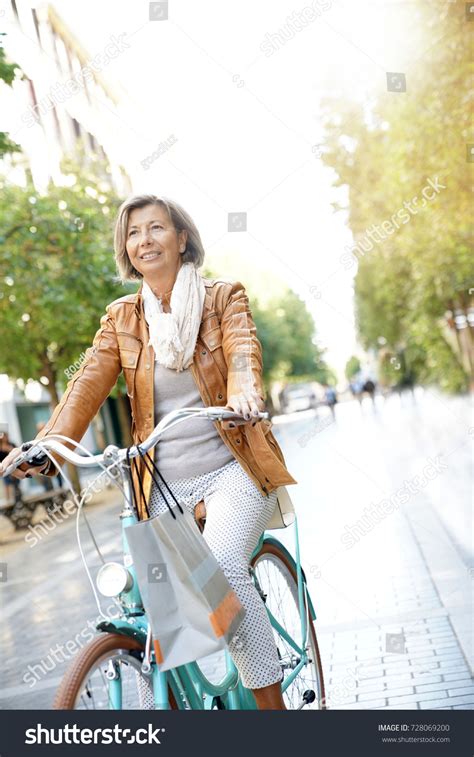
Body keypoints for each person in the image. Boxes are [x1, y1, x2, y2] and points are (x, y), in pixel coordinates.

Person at [0, 194, 297, 710]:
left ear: (182, 239)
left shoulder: (223, 297)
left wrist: (244, 390)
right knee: (163, 610)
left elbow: (242, 349)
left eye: (156, 228)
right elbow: (87, 384)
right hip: (158, 484)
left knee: (222, 567)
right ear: (127, 249)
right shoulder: (122, 319)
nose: (144, 240)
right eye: (133, 233)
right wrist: (50, 444)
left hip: (231, 470)